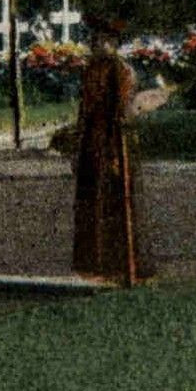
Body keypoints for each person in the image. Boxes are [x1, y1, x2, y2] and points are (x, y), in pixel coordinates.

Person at [71, 17, 152, 283]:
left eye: (103, 40)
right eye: (95, 40)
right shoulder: (91, 70)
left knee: (115, 201)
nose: (97, 45)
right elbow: (85, 109)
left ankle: (119, 263)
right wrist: (78, 142)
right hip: (92, 143)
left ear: (113, 43)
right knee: (92, 202)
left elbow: (124, 110)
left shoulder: (121, 70)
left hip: (113, 141)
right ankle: (94, 261)